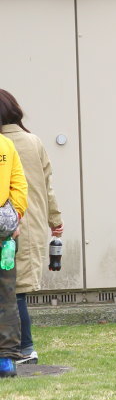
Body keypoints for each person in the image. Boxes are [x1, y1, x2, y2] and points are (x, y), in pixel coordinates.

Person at [0, 90, 62, 366]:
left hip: (11, 226)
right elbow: (48, 187)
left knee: (12, 291)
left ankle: (25, 349)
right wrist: (55, 221)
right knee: (18, 290)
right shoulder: (33, 141)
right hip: (31, 224)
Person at [0, 116, 27, 378]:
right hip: (3, 234)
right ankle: (5, 361)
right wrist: (14, 218)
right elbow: (19, 187)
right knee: (6, 294)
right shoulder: (6, 146)